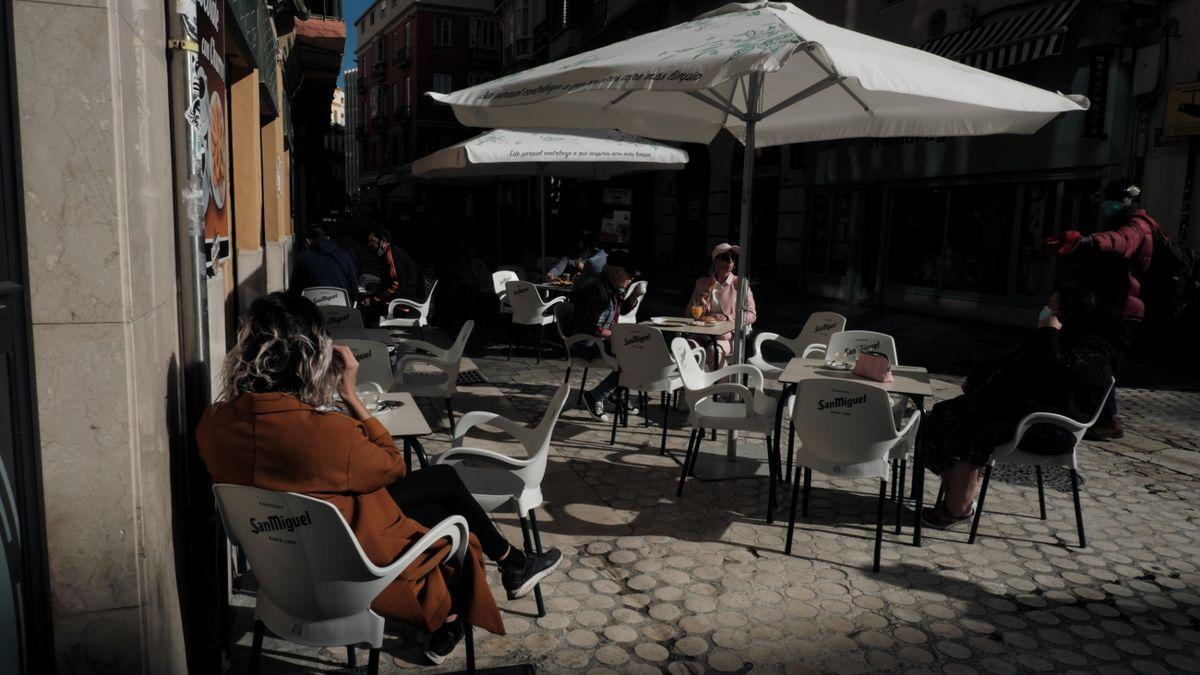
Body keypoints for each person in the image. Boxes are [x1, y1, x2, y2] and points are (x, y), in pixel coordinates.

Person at [195, 294, 562, 664]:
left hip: (280, 572)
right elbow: (393, 465)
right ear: (308, 358)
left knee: (442, 484)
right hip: (350, 567)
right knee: (450, 511)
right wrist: (350, 395)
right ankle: (468, 599)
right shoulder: (328, 435)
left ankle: (505, 567)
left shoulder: (212, 425)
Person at [920, 288, 1120, 529]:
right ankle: (957, 491)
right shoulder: (1057, 339)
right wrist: (980, 379)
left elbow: (1052, 369)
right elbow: (1014, 363)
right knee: (943, 414)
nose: (1046, 310)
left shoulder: (1091, 349)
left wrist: (1048, 332)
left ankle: (957, 508)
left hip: (1048, 428)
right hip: (1019, 413)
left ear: (1066, 313)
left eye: (1051, 306)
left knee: (971, 431)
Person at [1046, 181, 1156, 440]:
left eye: (1110, 201)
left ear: (1126, 201)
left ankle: (1106, 419)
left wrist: (1084, 242)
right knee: (1103, 362)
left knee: (1101, 362)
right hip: (1114, 307)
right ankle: (1102, 417)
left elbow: (1117, 243)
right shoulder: (1128, 223)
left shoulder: (1137, 227)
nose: (1105, 206)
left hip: (1122, 309)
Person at [565, 250, 639, 419]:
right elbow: (587, 326)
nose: (631, 278)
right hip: (584, 343)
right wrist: (613, 335)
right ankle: (595, 396)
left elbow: (619, 310)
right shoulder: (595, 289)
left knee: (636, 349)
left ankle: (616, 396)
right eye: (629, 275)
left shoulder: (612, 287)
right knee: (631, 356)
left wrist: (634, 296)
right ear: (616, 272)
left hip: (599, 340)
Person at [686, 243, 757, 368]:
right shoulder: (702, 283)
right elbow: (688, 313)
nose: (730, 262)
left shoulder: (740, 284)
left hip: (727, 336)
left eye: (732, 259)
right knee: (687, 347)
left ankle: (721, 387)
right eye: (725, 258)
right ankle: (694, 386)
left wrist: (728, 317)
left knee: (714, 352)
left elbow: (752, 314)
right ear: (715, 261)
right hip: (703, 333)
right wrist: (699, 303)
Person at [362, 229, 419, 326]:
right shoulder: (389, 252)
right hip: (400, 297)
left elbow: (395, 285)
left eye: (372, 241)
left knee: (370, 313)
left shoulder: (390, 255)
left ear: (382, 241)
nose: (369, 244)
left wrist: (373, 300)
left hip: (401, 303)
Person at [290, 226, 357, 302]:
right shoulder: (344, 256)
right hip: (341, 307)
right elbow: (353, 287)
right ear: (327, 238)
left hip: (312, 308)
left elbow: (294, 289)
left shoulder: (302, 257)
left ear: (307, 241)